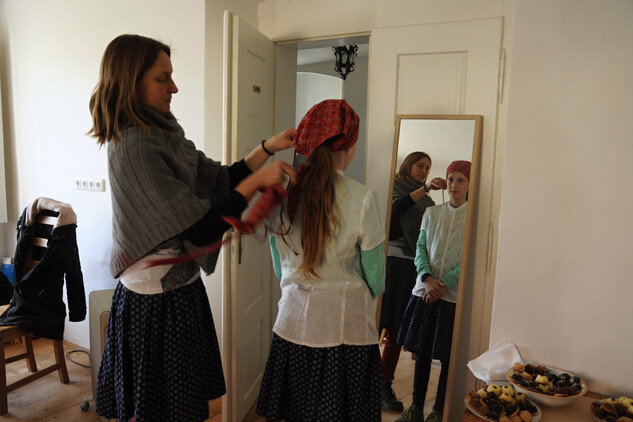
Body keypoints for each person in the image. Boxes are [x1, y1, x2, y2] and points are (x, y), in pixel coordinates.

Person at [88, 34, 296, 422]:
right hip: (155, 305)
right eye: (162, 78)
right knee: (163, 411)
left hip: (178, 289)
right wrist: (257, 182)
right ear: (131, 82)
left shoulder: (162, 133)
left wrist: (267, 148)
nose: (174, 87)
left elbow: (220, 179)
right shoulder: (135, 148)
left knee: (179, 408)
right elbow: (200, 230)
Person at [256, 99, 386, 421]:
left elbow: (279, 267)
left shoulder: (281, 194)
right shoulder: (363, 197)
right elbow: (376, 277)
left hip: (292, 324)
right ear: (349, 146)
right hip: (346, 331)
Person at [396, 160, 471, 422]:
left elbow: (467, 258)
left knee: (447, 357)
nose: (454, 185)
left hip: (451, 295)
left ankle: (439, 411)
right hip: (424, 291)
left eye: (461, 180)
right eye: (450, 179)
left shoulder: (473, 217)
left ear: (470, 184)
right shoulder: (431, 213)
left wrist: (443, 283)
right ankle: (415, 408)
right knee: (423, 353)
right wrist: (427, 279)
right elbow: (420, 248)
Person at [379, 152, 445, 411]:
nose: (424, 170)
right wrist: (425, 188)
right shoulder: (393, 186)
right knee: (374, 323)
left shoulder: (428, 202)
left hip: (412, 264)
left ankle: (384, 383)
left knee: (397, 327)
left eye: (428, 168)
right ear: (409, 164)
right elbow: (397, 208)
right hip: (389, 260)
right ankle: (365, 380)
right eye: (420, 165)